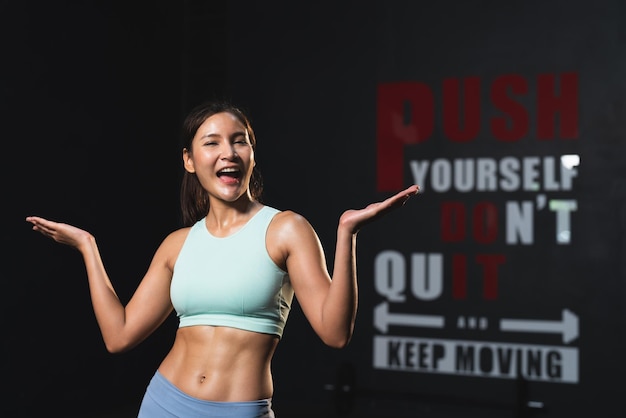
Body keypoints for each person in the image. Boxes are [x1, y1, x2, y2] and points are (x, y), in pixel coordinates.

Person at [26, 100, 419, 417]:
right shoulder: (177, 244)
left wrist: (346, 235)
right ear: (189, 160)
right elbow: (119, 335)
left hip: (239, 411)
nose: (227, 152)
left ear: (251, 152)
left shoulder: (285, 229)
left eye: (240, 140)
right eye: (211, 142)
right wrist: (87, 248)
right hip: (163, 403)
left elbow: (335, 334)